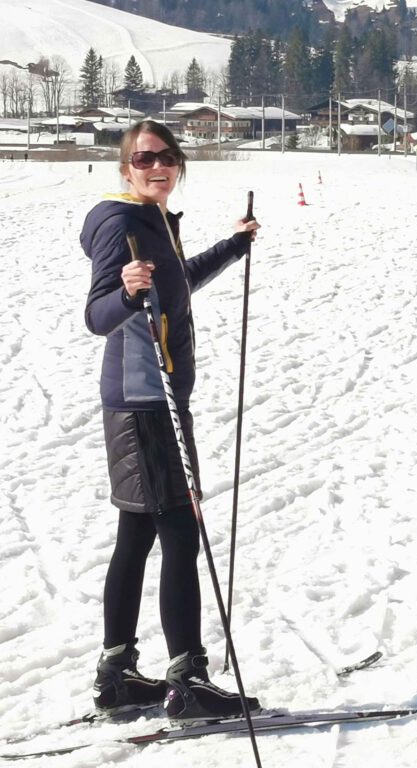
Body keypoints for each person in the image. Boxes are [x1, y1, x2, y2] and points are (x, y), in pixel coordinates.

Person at [81, 120, 261, 720]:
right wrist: (127, 293)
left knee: (137, 535)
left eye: (166, 156)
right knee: (180, 534)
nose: (156, 166)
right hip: (144, 402)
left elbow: (176, 286)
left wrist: (232, 247)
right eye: (143, 158)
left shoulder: (154, 221)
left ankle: (118, 675)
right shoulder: (120, 223)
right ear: (125, 166)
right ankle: (188, 680)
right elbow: (98, 314)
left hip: (151, 400)